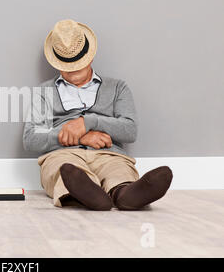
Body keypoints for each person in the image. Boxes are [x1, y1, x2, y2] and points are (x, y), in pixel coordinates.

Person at [23, 19, 173, 210]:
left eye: (78, 63)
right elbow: (30, 138)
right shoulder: (44, 92)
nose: (73, 69)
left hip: (109, 153)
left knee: (117, 170)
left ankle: (125, 194)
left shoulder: (118, 87)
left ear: (90, 57)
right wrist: (81, 136)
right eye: (67, 65)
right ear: (57, 63)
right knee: (64, 170)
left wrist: (88, 122)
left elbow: (130, 130)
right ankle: (84, 195)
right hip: (63, 154)